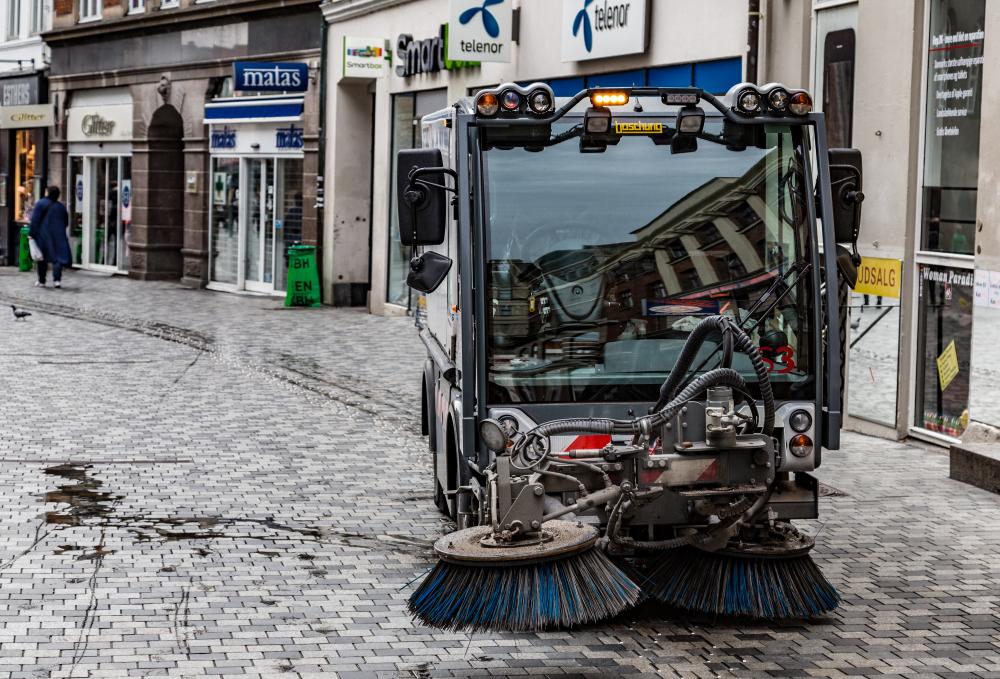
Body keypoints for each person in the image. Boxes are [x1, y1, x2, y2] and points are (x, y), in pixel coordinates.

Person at [28, 186, 72, 289]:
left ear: (47, 193)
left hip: (43, 234)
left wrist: (31, 234)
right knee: (57, 258)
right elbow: (66, 222)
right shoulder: (61, 207)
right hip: (58, 235)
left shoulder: (40, 203)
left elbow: (35, 220)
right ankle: (57, 280)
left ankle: (41, 280)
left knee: (41, 257)